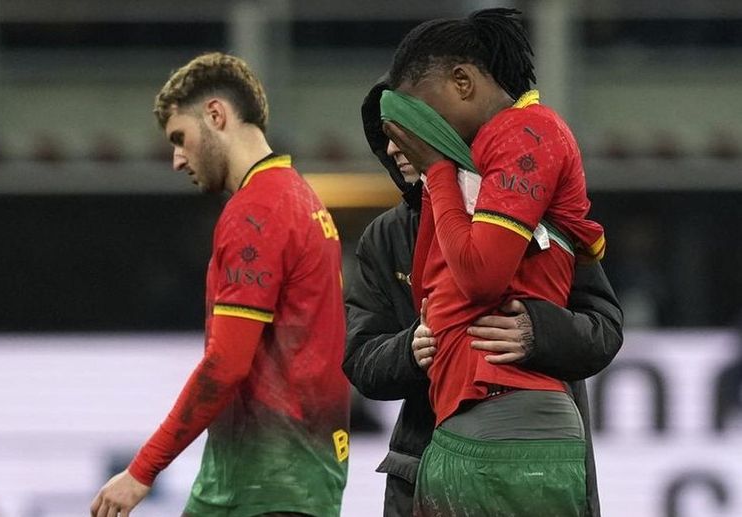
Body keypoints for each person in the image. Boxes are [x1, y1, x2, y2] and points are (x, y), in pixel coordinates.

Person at [344, 70, 623, 516]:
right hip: (424, 469)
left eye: (405, 128)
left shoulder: (527, 199)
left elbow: (605, 326)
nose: (394, 147)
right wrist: (408, 351)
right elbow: (359, 358)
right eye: (384, 136)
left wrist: (538, 330)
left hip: (536, 461)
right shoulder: (386, 237)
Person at [90, 52, 350, 517]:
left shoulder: (257, 211)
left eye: (180, 138)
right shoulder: (302, 199)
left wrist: (141, 471)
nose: (177, 159)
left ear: (215, 115)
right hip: (279, 477)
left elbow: (226, 364)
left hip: (265, 484)